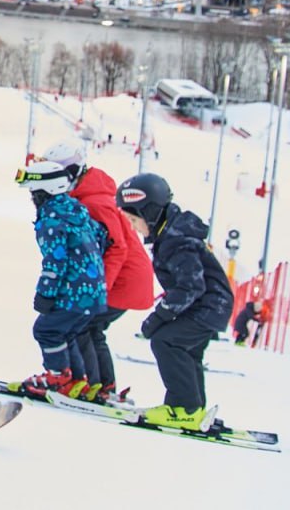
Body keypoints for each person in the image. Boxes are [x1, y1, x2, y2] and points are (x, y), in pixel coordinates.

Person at [115, 172, 235, 431]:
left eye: (134, 220)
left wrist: (160, 316)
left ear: (149, 213)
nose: (134, 228)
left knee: (165, 341)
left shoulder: (176, 240)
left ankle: (184, 409)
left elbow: (191, 286)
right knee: (186, 351)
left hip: (208, 305)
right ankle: (193, 409)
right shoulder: (171, 235)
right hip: (210, 305)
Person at [39, 139, 153, 403]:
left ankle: (91, 385)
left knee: (80, 326)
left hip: (123, 280)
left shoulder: (95, 202)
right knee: (91, 329)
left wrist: (99, 289)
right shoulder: (88, 195)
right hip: (127, 277)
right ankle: (102, 385)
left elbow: (117, 248)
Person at [16, 161, 108, 399]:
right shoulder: (76, 211)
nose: (32, 199)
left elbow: (55, 261)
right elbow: (102, 236)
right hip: (95, 290)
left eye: (34, 193)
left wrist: (45, 293)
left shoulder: (51, 220)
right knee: (66, 333)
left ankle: (58, 377)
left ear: (45, 192)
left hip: (74, 290)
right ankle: (77, 379)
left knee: (46, 330)